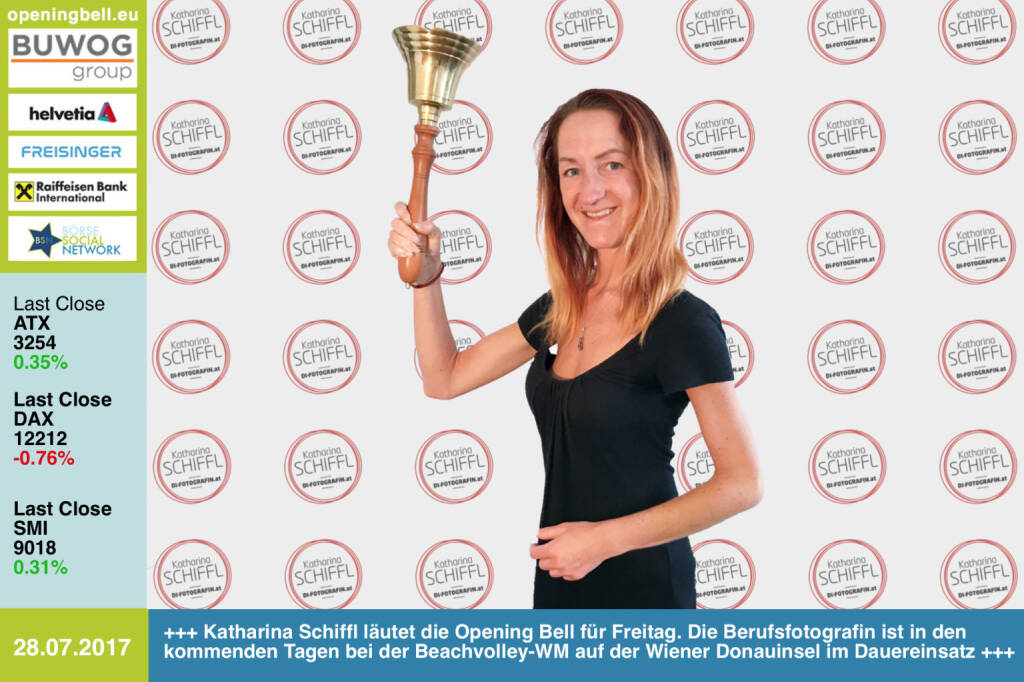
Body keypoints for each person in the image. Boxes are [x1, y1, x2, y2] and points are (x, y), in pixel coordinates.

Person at [388, 89, 761, 609]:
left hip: (644, 589)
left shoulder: (682, 321)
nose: (590, 191)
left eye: (612, 164)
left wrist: (601, 541)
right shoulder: (564, 305)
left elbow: (742, 483)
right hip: (561, 578)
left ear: (650, 173)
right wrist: (427, 279)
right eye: (571, 171)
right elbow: (444, 378)